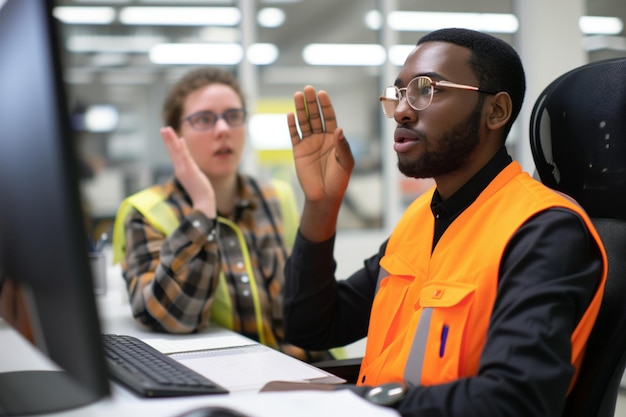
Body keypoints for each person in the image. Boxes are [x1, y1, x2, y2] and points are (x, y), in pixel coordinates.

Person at [282, 28, 608, 415]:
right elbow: (313, 327)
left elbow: (517, 400)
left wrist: (357, 402)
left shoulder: (542, 230)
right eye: (399, 92)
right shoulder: (422, 216)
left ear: (496, 112)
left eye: (427, 90)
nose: (402, 110)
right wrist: (321, 204)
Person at [112, 67, 331, 362]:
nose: (223, 129)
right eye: (204, 119)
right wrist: (203, 207)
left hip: (301, 372)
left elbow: (311, 301)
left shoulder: (277, 197)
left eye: (233, 116)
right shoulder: (146, 212)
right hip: (218, 379)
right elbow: (169, 318)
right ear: (176, 135)